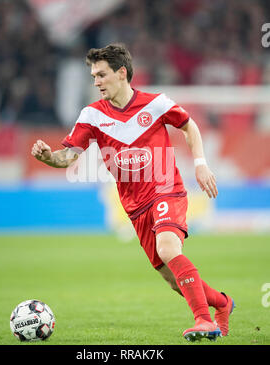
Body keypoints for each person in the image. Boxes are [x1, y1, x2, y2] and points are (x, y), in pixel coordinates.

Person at [31, 43, 234, 342]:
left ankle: (204, 321)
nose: (96, 82)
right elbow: (68, 157)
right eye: (93, 76)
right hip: (135, 207)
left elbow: (190, 127)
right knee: (174, 280)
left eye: (101, 75)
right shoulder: (91, 115)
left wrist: (201, 164)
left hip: (166, 190)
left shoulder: (156, 103)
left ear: (121, 72)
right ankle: (222, 303)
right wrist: (49, 157)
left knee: (168, 249)